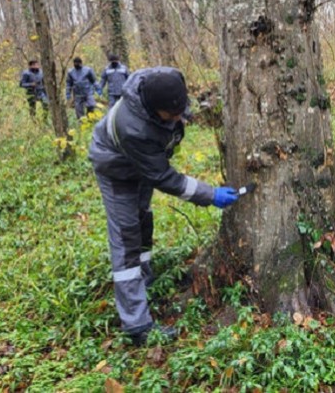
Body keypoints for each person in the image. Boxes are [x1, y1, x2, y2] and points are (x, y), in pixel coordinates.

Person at [88, 66, 240, 345]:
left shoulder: (168, 78)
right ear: (153, 109)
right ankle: (137, 326)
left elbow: (176, 113)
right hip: (116, 168)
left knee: (143, 221)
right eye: (172, 116)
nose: (179, 118)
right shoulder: (132, 128)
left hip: (144, 162)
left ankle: (145, 283)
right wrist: (209, 194)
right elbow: (163, 177)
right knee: (126, 237)